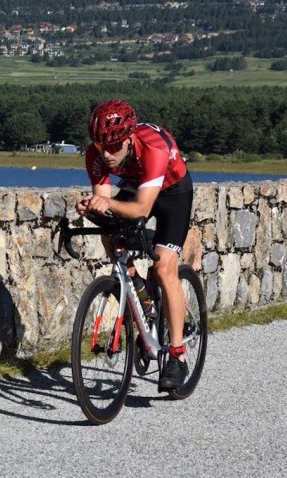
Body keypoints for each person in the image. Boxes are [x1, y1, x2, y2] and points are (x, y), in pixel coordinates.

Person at [75, 99, 194, 391]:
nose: (107, 154)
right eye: (100, 146)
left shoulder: (153, 148)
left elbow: (141, 208)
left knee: (165, 267)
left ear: (129, 139)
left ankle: (177, 356)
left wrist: (107, 203)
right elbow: (105, 204)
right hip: (138, 184)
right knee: (109, 230)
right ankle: (140, 290)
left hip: (173, 190)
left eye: (114, 147)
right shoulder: (98, 154)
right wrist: (91, 206)